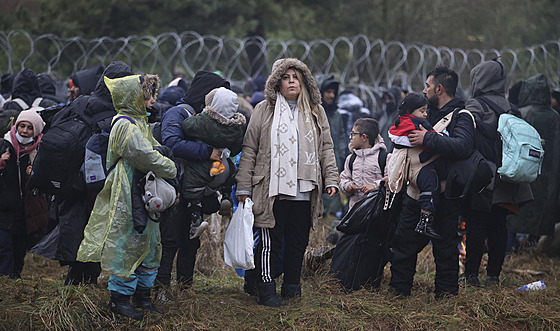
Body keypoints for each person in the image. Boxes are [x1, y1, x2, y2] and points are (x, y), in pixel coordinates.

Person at [236, 58, 339, 307]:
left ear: (303, 80)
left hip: (305, 189)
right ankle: (266, 290)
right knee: (270, 241)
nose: (292, 80)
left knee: (298, 241)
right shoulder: (263, 109)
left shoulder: (315, 110)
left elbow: (326, 146)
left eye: (296, 76)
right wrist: (243, 185)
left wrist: (332, 177)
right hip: (272, 189)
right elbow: (250, 149)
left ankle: (292, 288)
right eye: (286, 77)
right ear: (276, 82)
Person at [77, 74, 177, 320]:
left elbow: (152, 149)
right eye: (148, 96)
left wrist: (160, 156)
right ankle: (119, 300)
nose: (153, 101)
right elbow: (144, 154)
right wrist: (170, 167)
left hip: (143, 188)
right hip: (127, 190)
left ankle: (143, 296)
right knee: (127, 242)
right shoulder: (124, 124)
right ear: (134, 97)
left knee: (150, 243)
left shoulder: (139, 122)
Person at [389, 67, 475, 298]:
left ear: (439, 88)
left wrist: (427, 138)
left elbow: (463, 147)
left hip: (444, 195)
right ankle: (399, 292)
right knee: (404, 243)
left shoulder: (461, 116)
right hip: (414, 192)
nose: (424, 90)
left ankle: (445, 296)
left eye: (427, 86)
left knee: (445, 248)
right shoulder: (421, 113)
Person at [155, 71, 229, 297]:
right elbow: (171, 143)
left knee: (190, 242)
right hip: (175, 189)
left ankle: (185, 289)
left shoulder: (204, 118)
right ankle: (161, 289)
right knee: (170, 241)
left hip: (194, 191)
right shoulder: (178, 112)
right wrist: (208, 152)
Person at [460, 60, 533, 287]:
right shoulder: (513, 108)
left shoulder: (476, 105)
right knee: (499, 227)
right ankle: (494, 276)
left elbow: (468, 137)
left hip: (482, 176)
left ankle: (471, 275)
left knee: (475, 226)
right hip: (507, 177)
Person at [181, 87, 245, 239]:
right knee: (225, 179)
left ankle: (196, 219)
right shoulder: (236, 129)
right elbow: (236, 149)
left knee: (192, 190)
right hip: (225, 167)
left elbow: (187, 125)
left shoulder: (204, 122)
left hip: (203, 167)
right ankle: (226, 196)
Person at [507, 74, 560, 239]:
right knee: (540, 211)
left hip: (523, 174)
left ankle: (515, 247)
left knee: (518, 211)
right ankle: (532, 244)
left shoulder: (522, 113)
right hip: (548, 175)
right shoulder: (555, 117)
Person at [387, 92, 441, 239]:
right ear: (410, 111)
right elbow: (432, 139)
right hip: (423, 166)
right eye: (422, 111)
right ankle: (425, 221)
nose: (425, 114)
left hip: (407, 170)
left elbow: (394, 136)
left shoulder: (399, 122)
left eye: (426, 111)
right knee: (432, 187)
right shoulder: (419, 123)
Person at [0, 109, 46, 278]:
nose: (24, 131)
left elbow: (45, 183)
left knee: (20, 246)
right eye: (22, 126)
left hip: (25, 208)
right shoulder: (5, 145)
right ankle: (5, 277)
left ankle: (15, 274)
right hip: (4, 206)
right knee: (4, 245)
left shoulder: (40, 151)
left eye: (29, 128)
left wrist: (34, 175)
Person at [340, 118, 387, 209]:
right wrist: (347, 185)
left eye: (353, 134)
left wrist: (374, 186)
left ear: (364, 137)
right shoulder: (351, 159)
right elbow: (343, 178)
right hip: (355, 212)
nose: (350, 137)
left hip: (377, 211)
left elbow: (392, 181)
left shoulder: (384, 158)